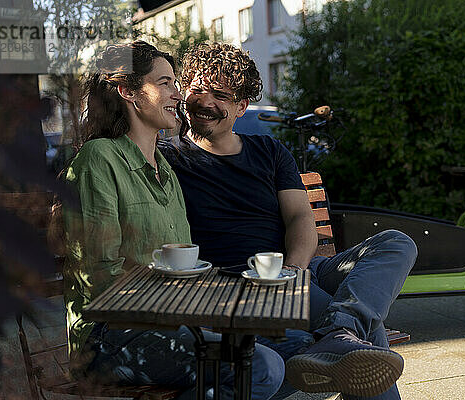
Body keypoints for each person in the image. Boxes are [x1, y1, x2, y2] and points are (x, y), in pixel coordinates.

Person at [160, 42, 418, 400]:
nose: (205, 101)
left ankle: (340, 329)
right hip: (237, 283)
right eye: (198, 88)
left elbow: (300, 217)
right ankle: (343, 333)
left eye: (220, 94)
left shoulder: (269, 152)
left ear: (241, 106)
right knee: (364, 341)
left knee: (396, 243)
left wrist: (292, 273)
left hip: (296, 271)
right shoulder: (168, 159)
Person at [61, 40, 285, 399]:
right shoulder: (99, 159)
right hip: (109, 338)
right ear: (128, 91)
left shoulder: (164, 168)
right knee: (259, 366)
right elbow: (100, 280)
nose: (178, 95)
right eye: (165, 83)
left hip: (170, 324)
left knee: (287, 347)